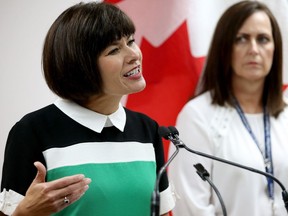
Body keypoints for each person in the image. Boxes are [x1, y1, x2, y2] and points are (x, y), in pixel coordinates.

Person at [0, 2, 175, 216]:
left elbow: (163, 213)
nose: (134, 55)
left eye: (130, 41)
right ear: (81, 66)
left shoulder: (148, 129)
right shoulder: (32, 132)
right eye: (114, 50)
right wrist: (25, 213)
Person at [168, 1, 288, 216]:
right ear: (224, 47)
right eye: (241, 39)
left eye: (263, 39)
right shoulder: (197, 116)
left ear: (275, 48)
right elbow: (190, 208)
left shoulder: (286, 114)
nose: (253, 49)